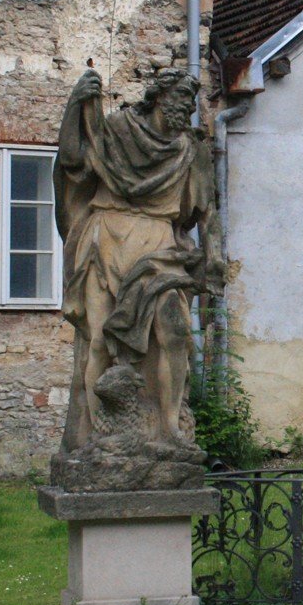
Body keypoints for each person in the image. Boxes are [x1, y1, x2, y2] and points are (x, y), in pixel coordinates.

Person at [53, 66, 224, 455]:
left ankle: (169, 429)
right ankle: (99, 434)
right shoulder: (116, 129)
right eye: (180, 99)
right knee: (99, 340)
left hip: (160, 245)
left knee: (175, 334)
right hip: (108, 236)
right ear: (159, 98)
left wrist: (213, 258)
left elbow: (208, 212)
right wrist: (76, 105)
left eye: (191, 102)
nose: (187, 109)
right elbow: (73, 160)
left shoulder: (190, 149)